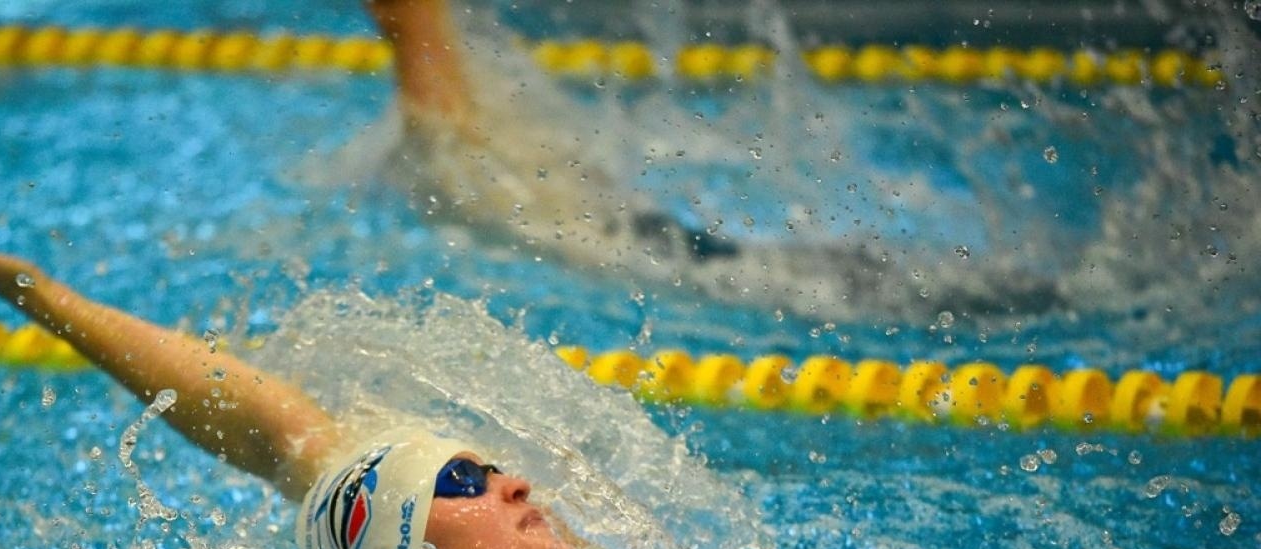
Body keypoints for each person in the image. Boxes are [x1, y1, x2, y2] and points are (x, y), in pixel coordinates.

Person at [0, 230, 861, 549]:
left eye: (490, 467)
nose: (515, 482)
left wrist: (43, 295)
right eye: (464, 482)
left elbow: (272, 432)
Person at [362, 0, 1056, 317]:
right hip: (658, 244)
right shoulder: (471, 115)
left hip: (664, 259)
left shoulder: (445, 134)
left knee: (876, 295)